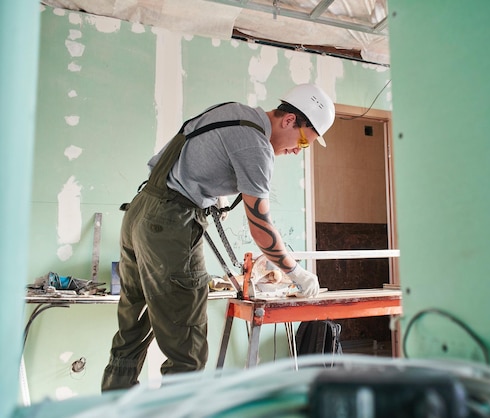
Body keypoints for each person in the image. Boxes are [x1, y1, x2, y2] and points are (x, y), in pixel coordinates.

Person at [101, 83, 335, 391]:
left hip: (140, 212)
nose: (296, 150)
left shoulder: (234, 111)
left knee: (131, 332)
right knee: (187, 352)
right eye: (303, 142)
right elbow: (261, 228)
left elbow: (196, 157)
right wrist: (297, 272)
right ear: (289, 120)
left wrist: (213, 199)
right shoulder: (257, 147)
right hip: (170, 224)